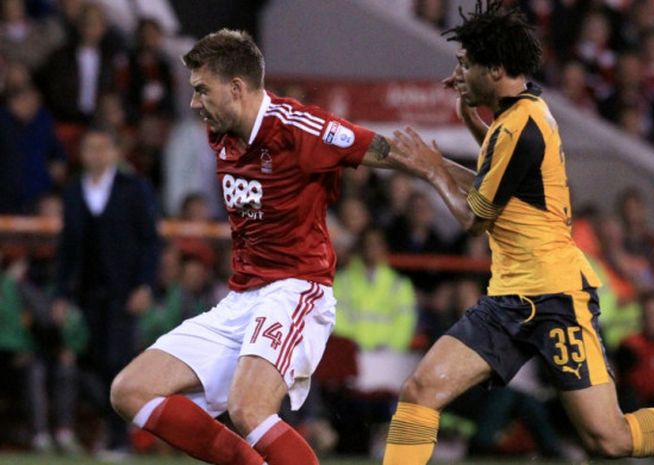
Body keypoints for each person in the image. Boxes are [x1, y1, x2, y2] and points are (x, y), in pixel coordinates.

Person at [109, 28, 471, 465]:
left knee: (249, 408)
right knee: (130, 390)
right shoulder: (223, 132)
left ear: (237, 88)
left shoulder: (301, 128)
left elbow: (393, 153)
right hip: (240, 299)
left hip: (296, 291)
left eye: (202, 90)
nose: (194, 103)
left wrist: (478, 184)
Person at [381, 2, 654, 464]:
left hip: (555, 299)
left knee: (609, 439)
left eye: (466, 65)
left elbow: (474, 219)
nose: (459, 72)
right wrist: (463, 117)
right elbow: (494, 174)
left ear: (494, 69)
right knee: (421, 390)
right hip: (509, 299)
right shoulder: (518, 115)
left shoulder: (521, 128)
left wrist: (432, 173)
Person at [53, 126, 160, 456]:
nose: (95, 155)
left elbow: (149, 242)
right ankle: (116, 426)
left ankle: (118, 440)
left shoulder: (135, 188)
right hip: (86, 292)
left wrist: (145, 285)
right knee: (91, 363)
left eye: (102, 148)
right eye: (89, 148)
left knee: (117, 361)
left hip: (123, 293)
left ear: (115, 152)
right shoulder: (72, 192)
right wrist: (61, 293)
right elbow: (67, 248)